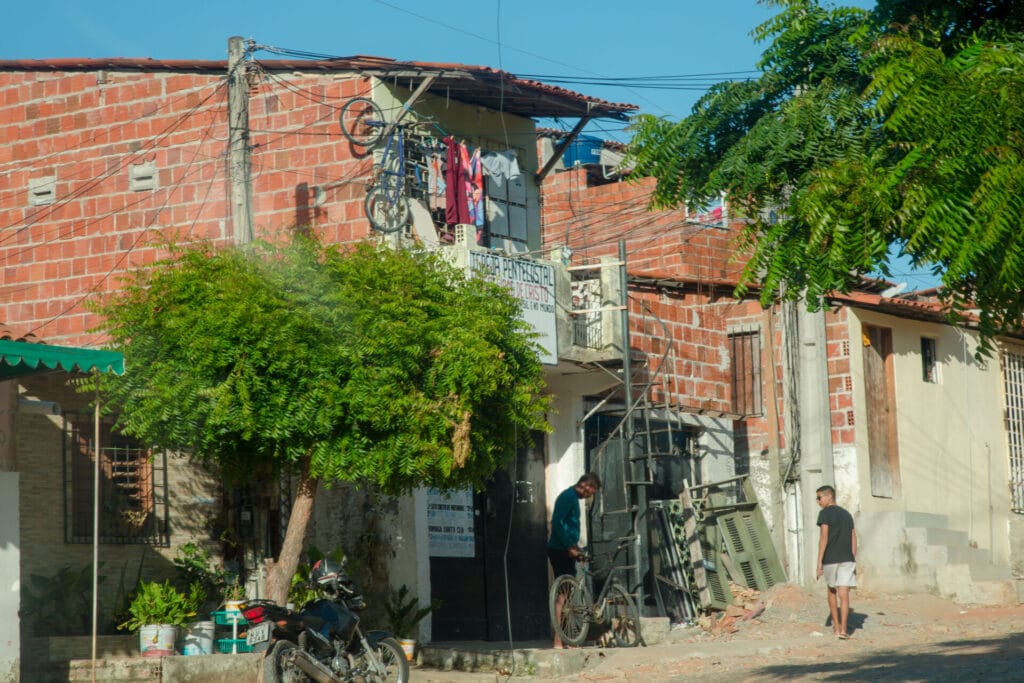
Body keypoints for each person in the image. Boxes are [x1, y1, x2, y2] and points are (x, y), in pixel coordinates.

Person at [547, 472, 601, 648]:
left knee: (568, 595)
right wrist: (569, 547)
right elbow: (557, 522)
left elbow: (568, 526)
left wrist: (575, 548)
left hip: (566, 547)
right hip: (559, 549)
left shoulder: (572, 498)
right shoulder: (568, 497)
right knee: (562, 596)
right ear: (586, 486)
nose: (589, 496)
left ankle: (567, 638)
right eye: (591, 492)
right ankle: (558, 640)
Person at [815, 484, 857, 639]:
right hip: (848, 559)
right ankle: (845, 630)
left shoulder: (824, 513)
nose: (818, 501)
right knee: (844, 593)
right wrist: (853, 557)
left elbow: (823, 537)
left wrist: (819, 562)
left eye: (819, 497)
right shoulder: (847, 514)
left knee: (832, 591)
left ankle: (837, 628)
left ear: (828, 496)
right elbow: (854, 537)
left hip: (831, 559)